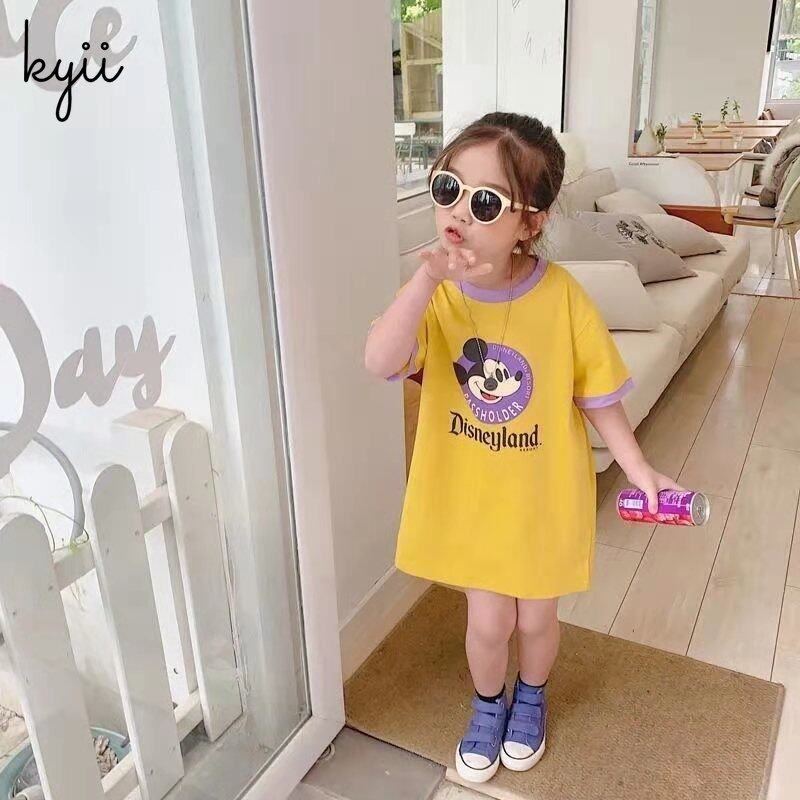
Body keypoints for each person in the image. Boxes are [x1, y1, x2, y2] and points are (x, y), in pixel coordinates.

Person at [364, 112, 679, 784]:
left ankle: (530, 697)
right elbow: (380, 360)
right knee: (487, 623)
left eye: (484, 202)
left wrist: (638, 468)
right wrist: (424, 283)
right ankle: (488, 704)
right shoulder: (436, 299)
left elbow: (598, 395)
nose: (457, 212)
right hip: (472, 500)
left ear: (530, 222)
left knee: (535, 621)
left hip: (543, 499)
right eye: (447, 188)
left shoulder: (563, 297)